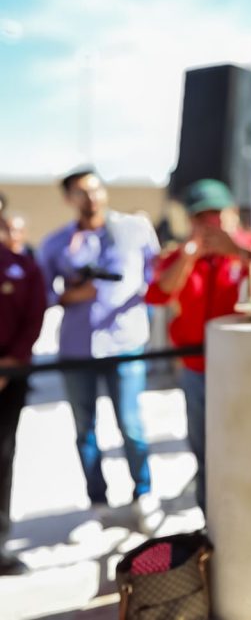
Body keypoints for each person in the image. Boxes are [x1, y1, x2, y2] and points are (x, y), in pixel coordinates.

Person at [37, 168, 164, 535]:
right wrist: (70, 294)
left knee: (131, 422)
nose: (91, 198)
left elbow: (154, 279)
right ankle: (98, 504)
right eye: (80, 192)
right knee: (85, 429)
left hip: (125, 342)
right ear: (68, 199)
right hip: (77, 346)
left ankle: (144, 493)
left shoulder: (134, 229)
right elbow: (42, 294)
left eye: (95, 189)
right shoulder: (57, 243)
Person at [144, 179, 251, 514]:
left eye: (215, 214)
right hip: (195, 370)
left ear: (230, 214)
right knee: (204, 450)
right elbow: (158, 294)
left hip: (242, 371)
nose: (209, 223)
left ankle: (241, 515)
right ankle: (211, 520)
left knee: (241, 448)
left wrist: (236, 251)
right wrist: (189, 255)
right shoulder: (181, 256)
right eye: (200, 217)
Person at [0, 221, 46, 575]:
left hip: (9, 378)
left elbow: (33, 316)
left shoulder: (23, 267)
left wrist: (10, 364)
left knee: (1, 458)